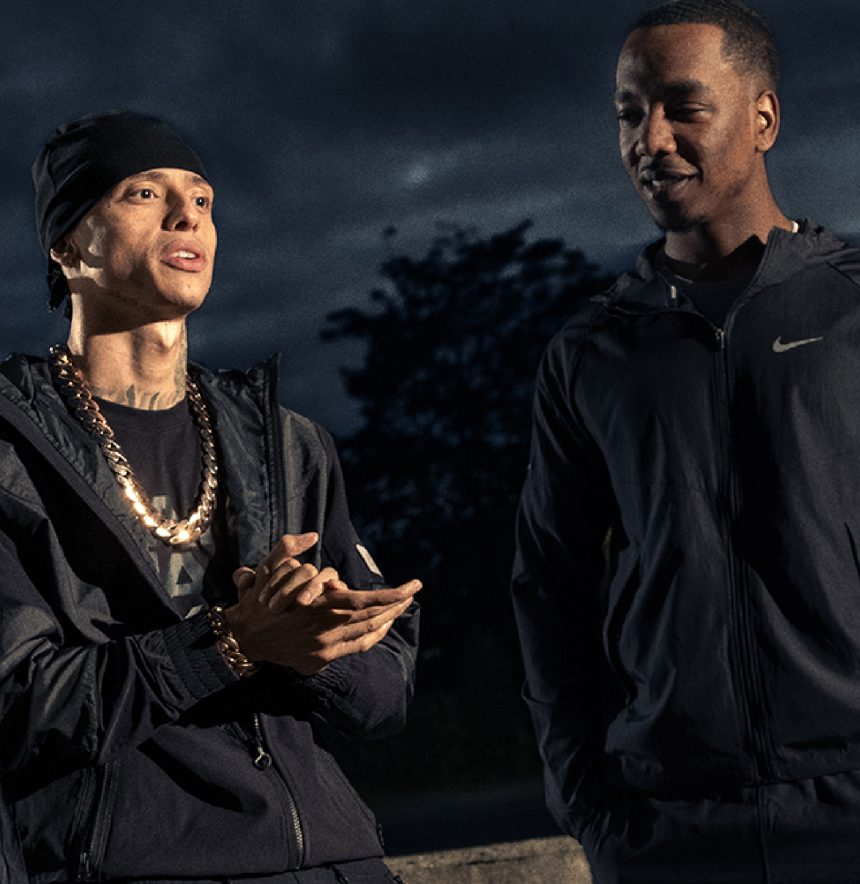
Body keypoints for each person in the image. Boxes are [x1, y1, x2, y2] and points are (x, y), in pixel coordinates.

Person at [0, 110, 421, 884]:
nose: (186, 214)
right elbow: (17, 710)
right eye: (143, 192)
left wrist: (318, 647)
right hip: (138, 866)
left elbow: (385, 700)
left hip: (339, 863)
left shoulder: (288, 446)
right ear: (67, 246)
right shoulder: (10, 452)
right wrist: (229, 644)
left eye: (201, 198)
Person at [512, 1, 860, 881]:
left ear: (763, 118)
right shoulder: (592, 351)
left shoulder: (852, 306)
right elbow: (549, 588)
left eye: (683, 107)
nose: (651, 138)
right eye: (630, 113)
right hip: (669, 827)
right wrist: (589, 804)